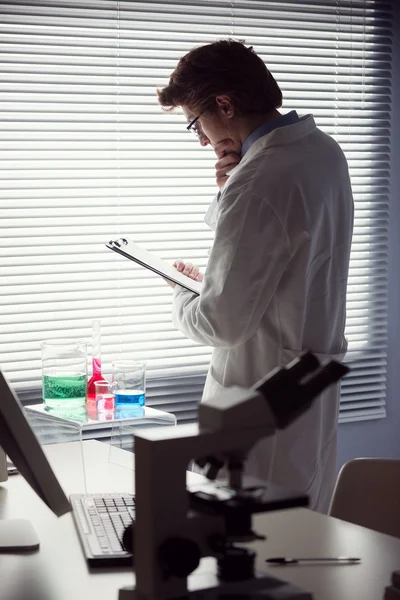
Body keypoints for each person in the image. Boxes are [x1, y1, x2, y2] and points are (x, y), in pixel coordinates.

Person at [157, 40, 354, 513]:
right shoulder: (324, 150)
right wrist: (231, 190)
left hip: (258, 405)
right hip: (306, 390)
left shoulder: (261, 177)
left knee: (248, 552)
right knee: (305, 546)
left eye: (195, 123)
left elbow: (220, 324)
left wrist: (182, 295)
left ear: (224, 104)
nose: (202, 140)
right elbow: (287, 262)